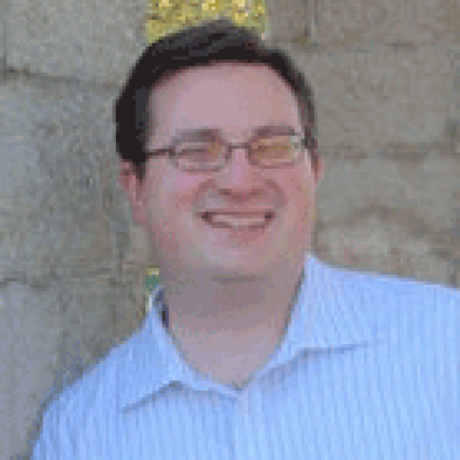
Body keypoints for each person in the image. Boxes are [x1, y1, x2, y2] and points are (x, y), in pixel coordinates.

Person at [32, 18, 459, 459]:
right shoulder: (80, 434)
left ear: (314, 170)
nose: (240, 181)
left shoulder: (447, 346)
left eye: (273, 146)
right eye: (196, 150)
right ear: (136, 188)